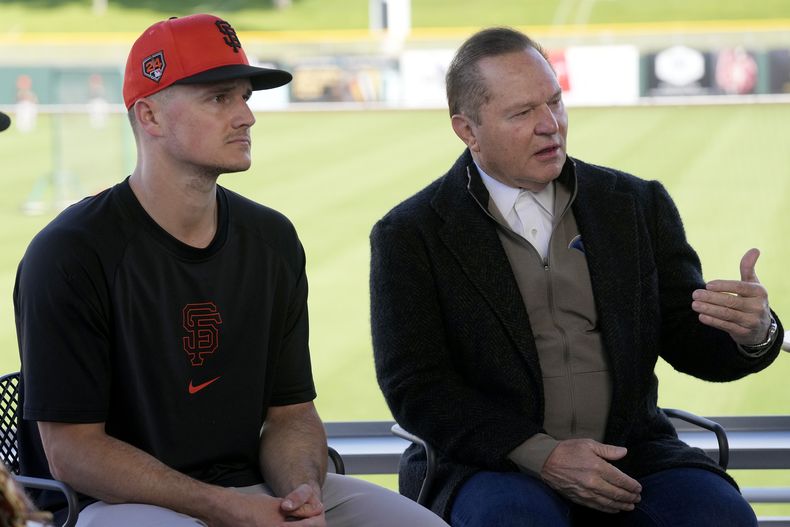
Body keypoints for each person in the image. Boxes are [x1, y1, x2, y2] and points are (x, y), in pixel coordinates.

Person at [14, 13, 448, 527]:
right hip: (112, 505)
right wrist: (227, 509)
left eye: (244, 96)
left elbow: (291, 415)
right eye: (220, 98)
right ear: (149, 116)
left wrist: (301, 495)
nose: (246, 116)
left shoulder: (272, 239)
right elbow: (73, 451)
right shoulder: (68, 252)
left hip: (251, 488)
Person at [369, 26, 784, 527]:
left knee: (720, 516)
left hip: (631, 454)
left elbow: (689, 340)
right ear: (467, 131)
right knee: (516, 521)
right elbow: (417, 387)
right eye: (523, 112)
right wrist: (541, 454)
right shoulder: (409, 234)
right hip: (488, 464)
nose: (551, 125)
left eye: (555, 102)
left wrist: (754, 334)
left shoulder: (634, 205)